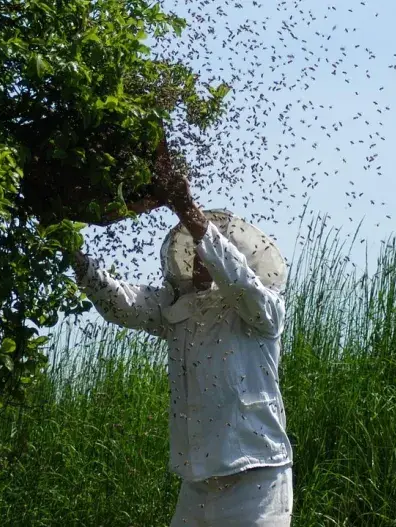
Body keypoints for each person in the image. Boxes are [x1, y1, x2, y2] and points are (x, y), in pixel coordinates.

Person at [70, 171, 293, 526]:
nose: (199, 260)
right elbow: (121, 302)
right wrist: (74, 255)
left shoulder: (262, 309)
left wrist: (187, 208)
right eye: (195, 252)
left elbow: (238, 281)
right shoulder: (177, 307)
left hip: (257, 479)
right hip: (197, 484)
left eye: (208, 252)